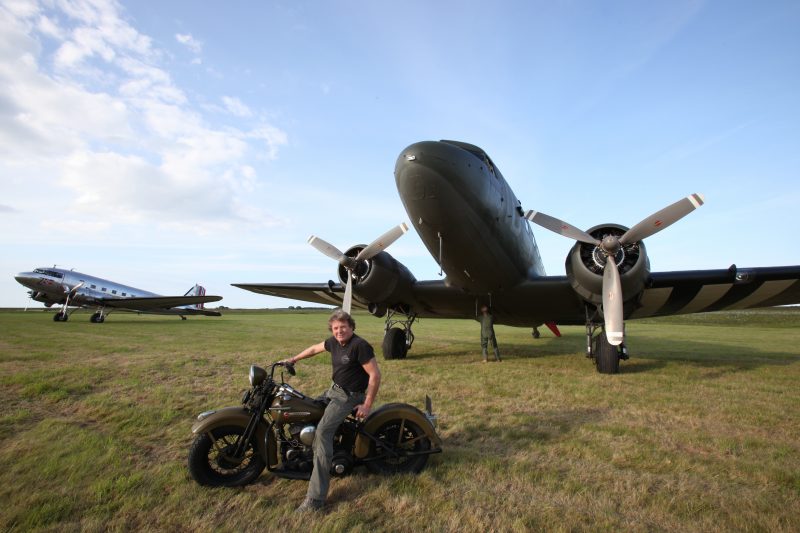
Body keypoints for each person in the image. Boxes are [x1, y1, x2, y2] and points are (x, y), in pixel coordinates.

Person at [282, 309, 381, 513]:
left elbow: (375, 375)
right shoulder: (334, 342)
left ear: (351, 327)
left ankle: (315, 499)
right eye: (336, 328)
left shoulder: (360, 346)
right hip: (333, 391)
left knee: (322, 433)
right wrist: (294, 359)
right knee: (307, 408)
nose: (339, 331)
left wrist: (367, 404)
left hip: (349, 396)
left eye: (343, 327)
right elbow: (314, 349)